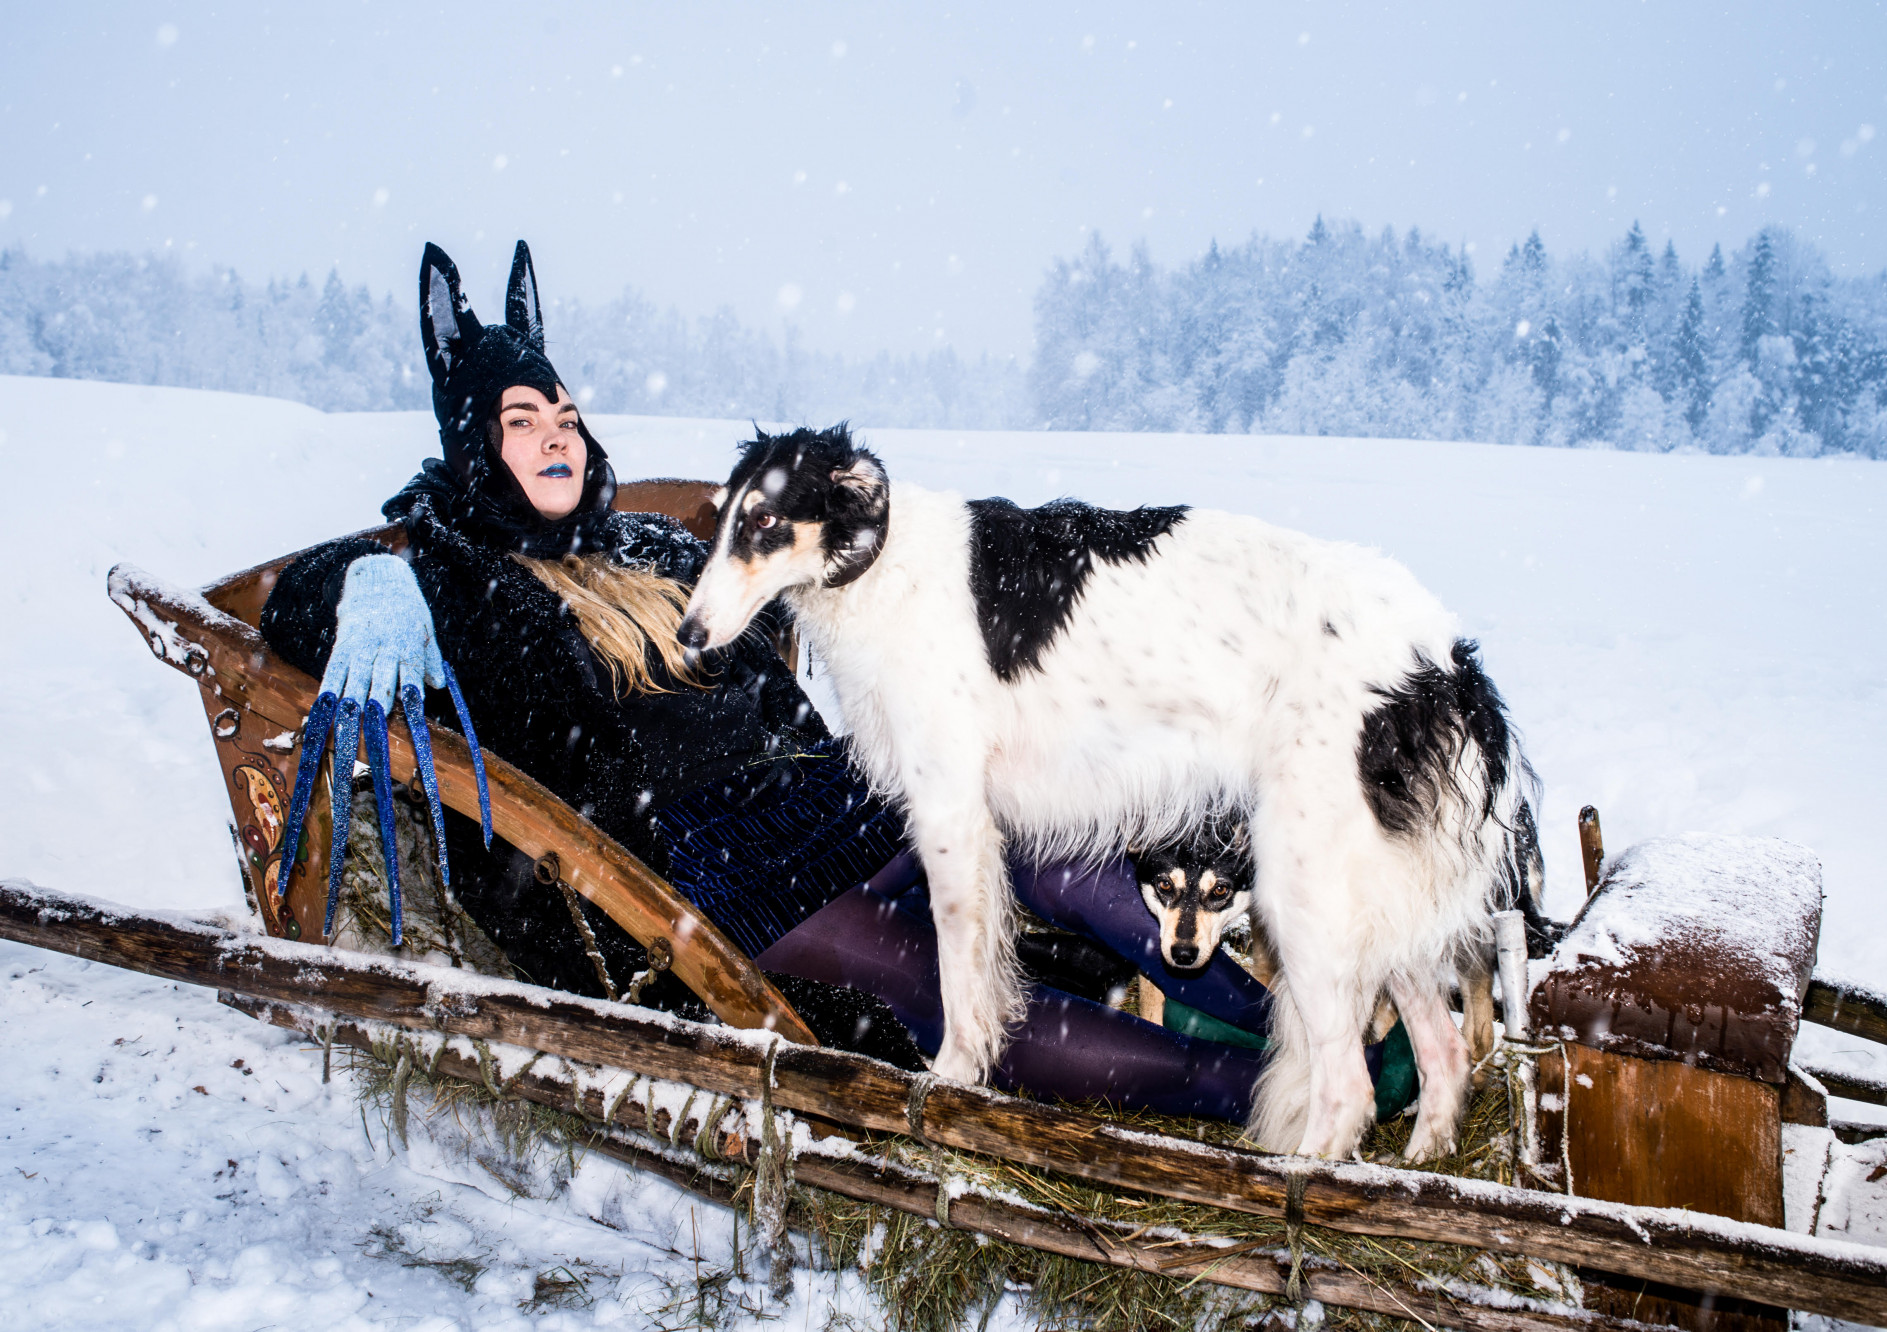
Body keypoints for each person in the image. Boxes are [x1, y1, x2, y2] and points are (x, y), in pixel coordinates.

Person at [263, 239, 1290, 1123]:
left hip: (802, 790)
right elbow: (280, 604)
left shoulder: (643, 542)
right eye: (522, 420)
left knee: (1010, 814)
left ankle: (1273, 1021)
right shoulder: (458, 579)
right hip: (693, 877)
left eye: (566, 416)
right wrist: (366, 577)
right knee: (938, 983)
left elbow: (769, 635)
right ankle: (1240, 1088)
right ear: (473, 445)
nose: (557, 437)